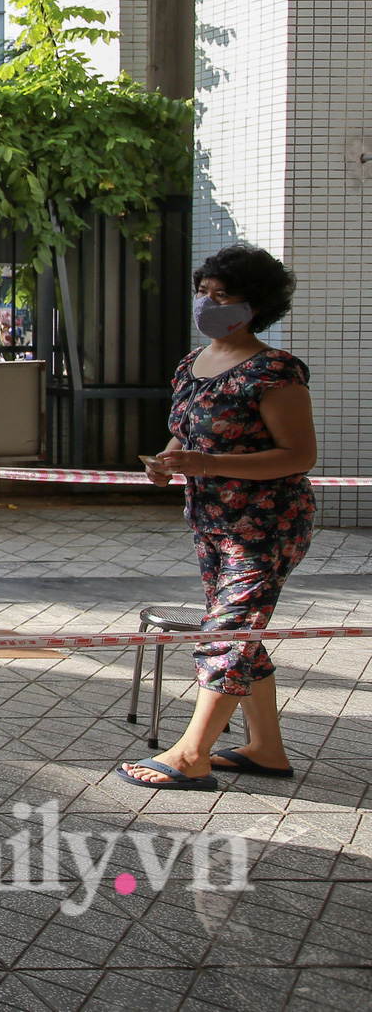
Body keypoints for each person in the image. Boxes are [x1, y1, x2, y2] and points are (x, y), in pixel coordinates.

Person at [118, 244, 317, 791]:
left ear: (252, 306)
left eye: (221, 295)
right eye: (204, 292)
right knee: (239, 630)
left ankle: (191, 754)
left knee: (227, 631)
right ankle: (265, 749)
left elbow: (299, 455)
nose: (207, 303)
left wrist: (205, 463)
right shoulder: (192, 364)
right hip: (213, 523)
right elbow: (185, 431)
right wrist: (166, 462)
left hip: (267, 524)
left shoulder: (274, 370)